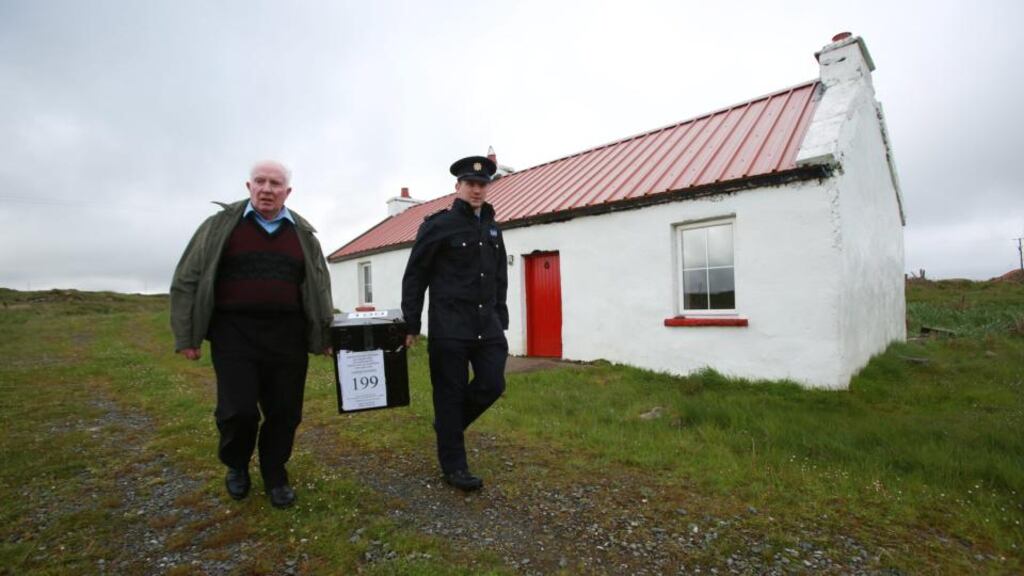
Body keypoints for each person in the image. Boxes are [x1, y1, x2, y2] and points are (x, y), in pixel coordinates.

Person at [170, 160, 334, 508]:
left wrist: (323, 336)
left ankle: (275, 474)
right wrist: (187, 336)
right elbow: (187, 279)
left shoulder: (302, 234)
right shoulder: (219, 227)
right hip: (234, 333)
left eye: (275, 183)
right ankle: (237, 465)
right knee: (238, 411)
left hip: (287, 335)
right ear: (249, 187)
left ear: (287, 192)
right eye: (260, 181)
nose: (267, 189)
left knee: (285, 412)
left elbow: (319, 288)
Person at [401, 155, 509, 491]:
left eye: (482, 185)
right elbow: (415, 275)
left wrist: (501, 314)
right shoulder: (437, 226)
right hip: (450, 327)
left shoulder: (492, 227)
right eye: (470, 184)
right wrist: (411, 323)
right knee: (449, 395)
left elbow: (500, 275)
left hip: (486, 324)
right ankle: (455, 467)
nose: (477, 190)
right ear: (457, 186)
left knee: (492, 383)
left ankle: (447, 427)